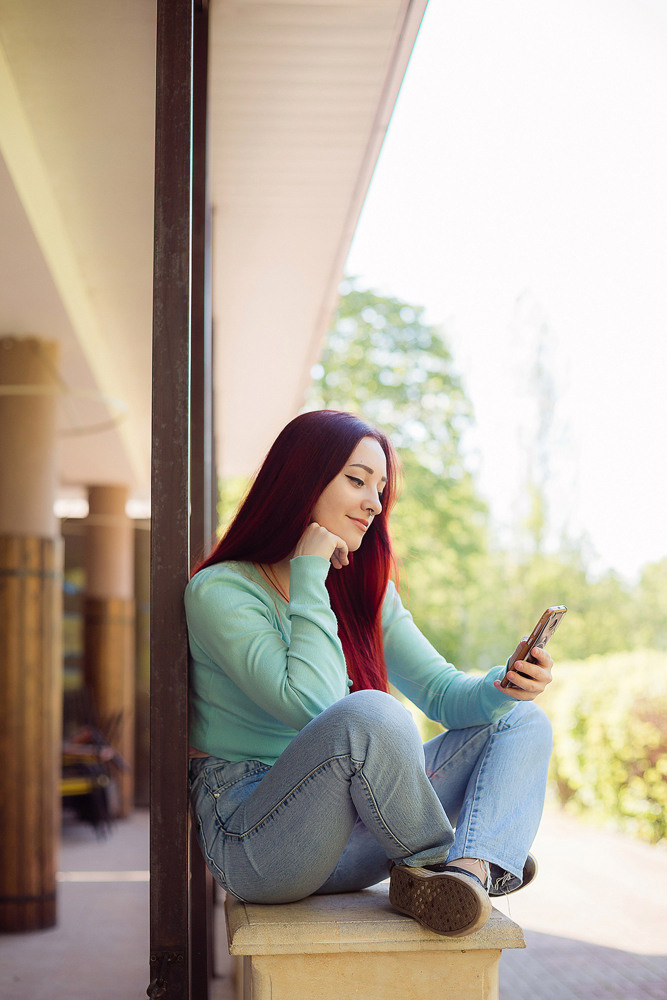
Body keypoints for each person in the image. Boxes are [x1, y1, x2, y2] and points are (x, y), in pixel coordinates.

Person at [186, 409, 553, 937]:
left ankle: (465, 877)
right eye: (357, 480)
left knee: (521, 720)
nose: (374, 503)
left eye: (380, 489)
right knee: (372, 713)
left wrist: (506, 685)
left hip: (358, 836)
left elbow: (443, 693)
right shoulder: (222, 591)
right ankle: (461, 855)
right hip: (256, 841)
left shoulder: (364, 590)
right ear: (300, 480)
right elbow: (313, 707)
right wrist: (310, 569)